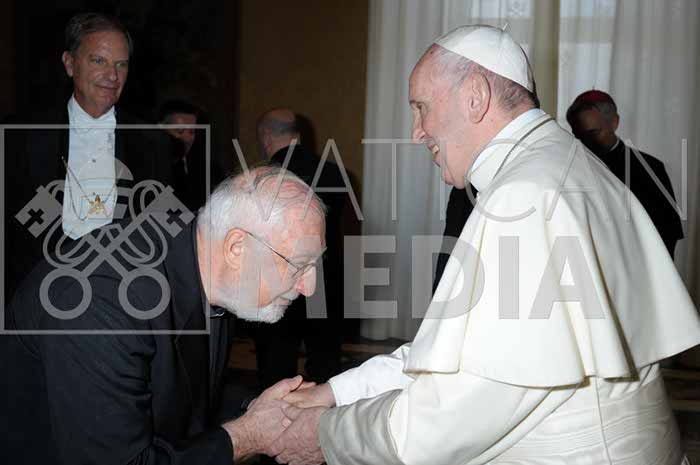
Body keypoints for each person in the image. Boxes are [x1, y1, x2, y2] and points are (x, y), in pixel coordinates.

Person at [268, 25, 700, 465]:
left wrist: (328, 433)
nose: (416, 132)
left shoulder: (524, 196)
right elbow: (467, 353)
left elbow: (464, 405)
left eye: (421, 108)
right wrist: (337, 392)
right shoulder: (561, 164)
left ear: (475, 96)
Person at [1, 165, 328, 464]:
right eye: (299, 265)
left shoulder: (210, 268)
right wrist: (251, 433)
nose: (310, 287)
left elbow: (187, 391)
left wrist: (268, 409)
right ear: (237, 248)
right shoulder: (100, 302)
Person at [4, 12, 173, 304]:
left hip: (121, 299)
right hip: (38, 296)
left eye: (121, 64)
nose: (113, 76)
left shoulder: (152, 144)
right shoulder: (23, 136)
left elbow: (162, 227)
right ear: (70, 64)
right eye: (99, 61)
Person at [250, 108, 346, 387]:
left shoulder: (262, 178)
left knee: (275, 364)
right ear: (298, 134)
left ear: (266, 136)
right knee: (325, 364)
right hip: (324, 278)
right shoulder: (334, 173)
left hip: (278, 282)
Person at [567, 90, 684, 257]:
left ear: (614, 122)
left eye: (594, 133)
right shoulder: (570, 168)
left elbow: (667, 235)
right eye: (579, 136)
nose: (586, 142)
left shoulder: (650, 168)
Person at [159, 99, 223, 212]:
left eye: (191, 132)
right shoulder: (148, 168)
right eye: (179, 131)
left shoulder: (210, 173)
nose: (186, 139)